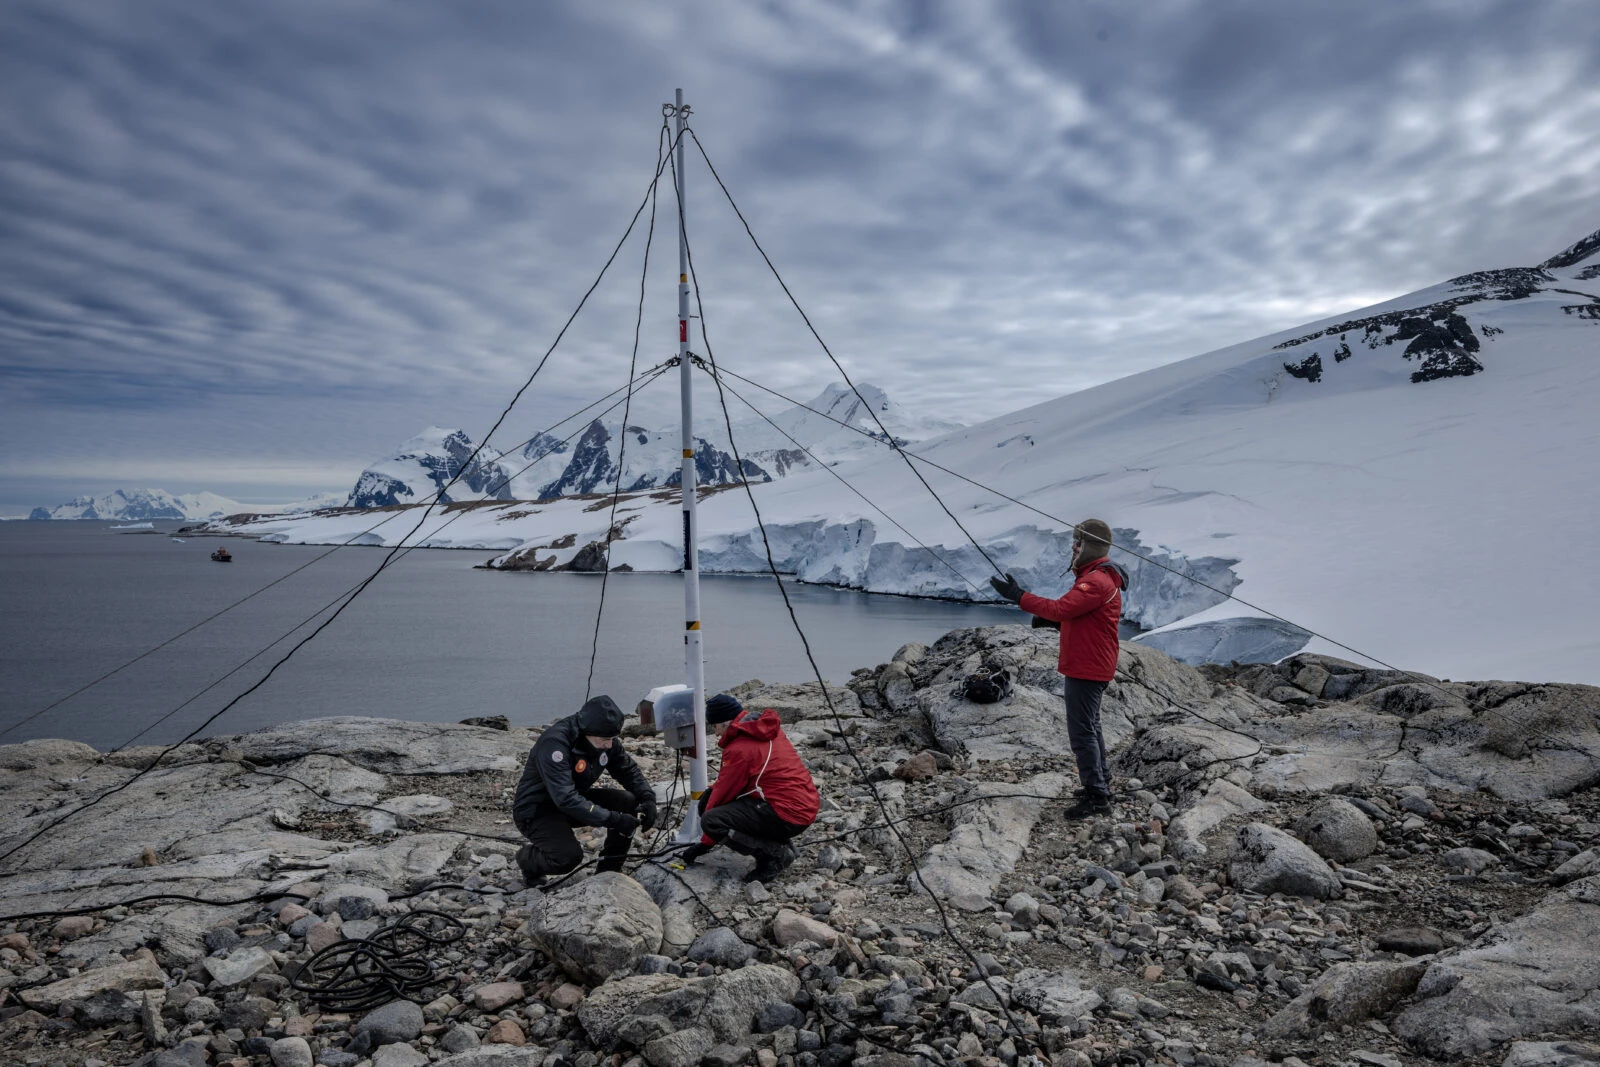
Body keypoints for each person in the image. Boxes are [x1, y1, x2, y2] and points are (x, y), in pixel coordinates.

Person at [990, 519, 1128, 818]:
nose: (1073, 547)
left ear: (1090, 546)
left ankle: (1097, 798)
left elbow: (1061, 609)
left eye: (1078, 542)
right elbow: (1076, 615)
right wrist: (1058, 621)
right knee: (1092, 726)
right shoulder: (1098, 577)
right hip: (1093, 663)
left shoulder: (1095, 581)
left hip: (1087, 666)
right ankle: (1100, 781)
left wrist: (1018, 596)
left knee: (1081, 732)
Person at [511, 694, 658, 887]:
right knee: (568, 857)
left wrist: (647, 797)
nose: (609, 744)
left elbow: (627, 769)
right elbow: (565, 798)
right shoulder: (555, 744)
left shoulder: (605, 738)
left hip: (572, 801)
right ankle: (527, 859)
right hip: (537, 810)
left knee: (626, 801)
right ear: (586, 731)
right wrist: (613, 819)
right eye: (604, 740)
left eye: (613, 738)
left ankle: (609, 870)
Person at [679, 694, 819, 883]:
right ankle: (778, 842)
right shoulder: (765, 730)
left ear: (726, 722)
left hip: (788, 815)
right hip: (804, 804)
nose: (716, 733)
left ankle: (774, 856)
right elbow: (730, 784)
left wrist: (704, 845)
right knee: (711, 798)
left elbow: (722, 796)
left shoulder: (740, 748)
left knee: (711, 820)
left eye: (715, 726)